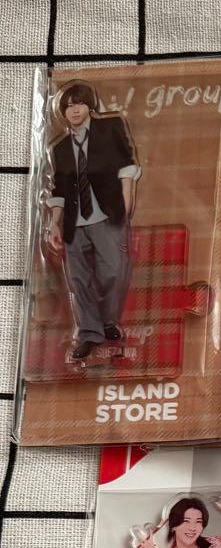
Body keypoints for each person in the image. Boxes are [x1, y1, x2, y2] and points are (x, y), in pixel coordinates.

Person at [46, 81, 140, 361]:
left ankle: (108, 321)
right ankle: (89, 333)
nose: (74, 110)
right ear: (63, 113)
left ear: (89, 105)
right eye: (68, 106)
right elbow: (59, 189)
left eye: (79, 103)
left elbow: (127, 165)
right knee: (79, 279)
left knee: (113, 271)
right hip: (74, 222)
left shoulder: (110, 127)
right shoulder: (60, 148)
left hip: (107, 214)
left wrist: (126, 203)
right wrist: (54, 223)